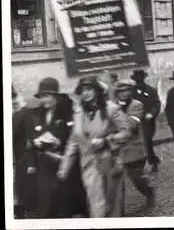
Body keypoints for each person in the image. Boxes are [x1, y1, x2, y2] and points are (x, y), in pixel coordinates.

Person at [57, 76, 133, 218]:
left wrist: (107, 140)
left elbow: (126, 132)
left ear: (97, 91)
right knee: (96, 205)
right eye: (82, 90)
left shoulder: (111, 109)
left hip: (110, 162)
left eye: (89, 89)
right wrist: (64, 168)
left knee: (113, 204)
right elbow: (73, 141)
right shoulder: (78, 113)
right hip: (88, 165)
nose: (85, 93)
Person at [15, 78, 88, 218]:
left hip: (64, 163)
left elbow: (71, 137)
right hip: (45, 165)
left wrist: (53, 141)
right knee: (47, 203)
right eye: (42, 97)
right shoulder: (40, 114)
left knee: (66, 203)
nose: (44, 100)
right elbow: (34, 134)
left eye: (47, 96)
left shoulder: (67, 113)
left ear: (56, 97)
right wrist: (36, 141)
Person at [114, 79, 155, 211]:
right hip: (117, 150)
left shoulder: (137, 105)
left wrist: (116, 111)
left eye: (125, 91)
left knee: (137, 180)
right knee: (118, 184)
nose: (123, 94)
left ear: (130, 91)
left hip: (134, 150)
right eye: (120, 91)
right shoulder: (112, 106)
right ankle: (118, 210)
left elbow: (130, 125)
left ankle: (149, 192)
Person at [12, 86, 40, 219]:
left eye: (13, 97)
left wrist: (30, 163)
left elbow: (31, 138)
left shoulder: (24, 113)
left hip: (21, 161)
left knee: (25, 201)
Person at [131, 69, 162, 172]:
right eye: (137, 81)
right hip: (134, 122)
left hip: (147, 122)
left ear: (144, 79)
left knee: (147, 141)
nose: (139, 83)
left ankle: (152, 161)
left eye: (140, 81)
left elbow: (157, 104)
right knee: (137, 143)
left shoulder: (151, 91)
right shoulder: (131, 92)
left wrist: (151, 114)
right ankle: (143, 163)